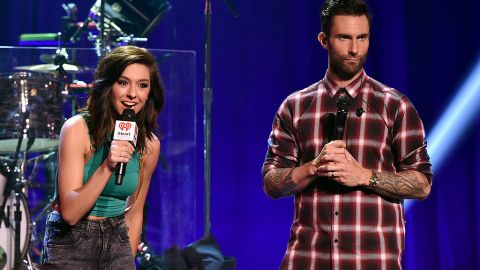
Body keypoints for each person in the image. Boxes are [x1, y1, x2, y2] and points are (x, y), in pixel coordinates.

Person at [261, 0, 433, 269]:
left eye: (362, 38)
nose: (354, 49)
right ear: (324, 40)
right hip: (308, 261)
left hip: (372, 262)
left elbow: (422, 184)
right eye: (344, 38)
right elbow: (271, 183)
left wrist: (364, 176)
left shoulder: (394, 106)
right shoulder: (295, 107)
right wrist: (313, 168)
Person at [41, 45, 164, 269]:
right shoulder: (77, 129)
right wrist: (107, 166)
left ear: (150, 92)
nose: (132, 94)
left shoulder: (149, 146)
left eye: (142, 85)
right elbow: (70, 213)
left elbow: (135, 213)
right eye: (123, 82)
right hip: (72, 242)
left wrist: (128, 260)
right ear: (108, 86)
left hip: (117, 242)